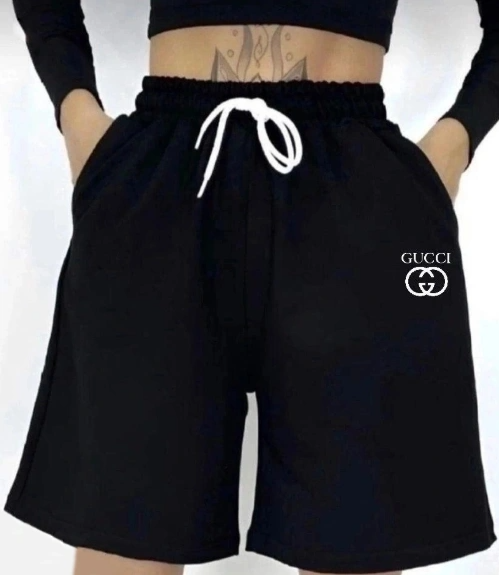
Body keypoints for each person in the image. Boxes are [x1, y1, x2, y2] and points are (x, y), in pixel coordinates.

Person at [4, 1, 498, 574]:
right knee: (123, 543)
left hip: (357, 193)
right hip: (162, 187)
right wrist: (77, 113)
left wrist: (452, 146)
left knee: (359, 545)